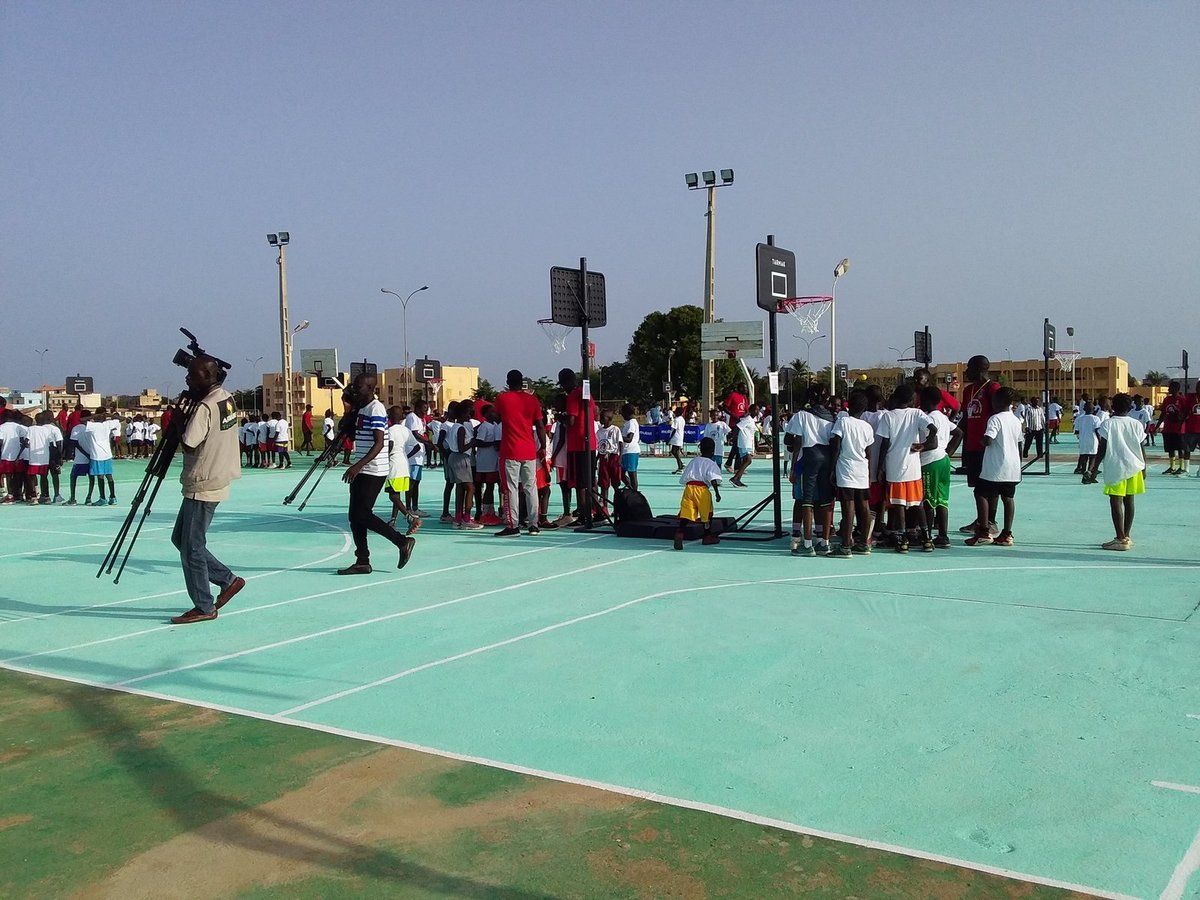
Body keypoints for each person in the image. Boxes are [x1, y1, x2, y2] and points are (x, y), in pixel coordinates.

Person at [168, 356, 246, 624]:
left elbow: (189, 444)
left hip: (203, 482)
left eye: (192, 374)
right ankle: (227, 579)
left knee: (191, 547)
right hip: (218, 475)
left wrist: (178, 420)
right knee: (181, 539)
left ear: (207, 375)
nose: (187, 379)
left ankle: (204, 606)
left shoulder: (204, 406)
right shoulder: (226, 398)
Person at [337, 373, 416, 574]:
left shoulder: (376, 409)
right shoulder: (361, 408)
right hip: (362, 468)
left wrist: (357, 466)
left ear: (371, 388)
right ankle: (362, 560)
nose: (356, 390)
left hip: (373, 470)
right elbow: (349, 431)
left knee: (362, 514)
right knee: (354, 517)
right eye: (354, 387)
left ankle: (402, 541)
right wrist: (349, 409)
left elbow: (380, 442)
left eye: (359, 387)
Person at [876, 384, 937, 553]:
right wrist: (925, 444)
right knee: (917, 503)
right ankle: (927, 539)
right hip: (913, 467)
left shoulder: (888, 417)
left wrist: (880, 467)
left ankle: (902, 540)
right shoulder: (917, 413)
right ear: (911, 400)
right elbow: (933, 428)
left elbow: (884, 444)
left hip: (894, 466)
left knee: (899, 505)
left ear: (895, 398)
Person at [1089, 393, 1147, 550]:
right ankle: (1126, 536)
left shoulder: (1108, 424)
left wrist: (1094, 469)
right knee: (1130, 501)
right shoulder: (1136, 424)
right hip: (1134, 466)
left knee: (1116, 502)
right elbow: (1141, 447)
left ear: (1113, 406)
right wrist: (1144, 467)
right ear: (1130, 407)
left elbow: (1102, 448)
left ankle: (1120, 538)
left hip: (1116, 467)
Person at [966, 387, 1022, 547]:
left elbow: (989, 439)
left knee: (980, 493)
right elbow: (1019, 442)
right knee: (1008, 498)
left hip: (996, 466)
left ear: (997, 402)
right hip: (1012, 466)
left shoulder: (995, 419)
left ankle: (984, 531)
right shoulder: (1016, 420)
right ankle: (1007, 533)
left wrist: (981, 441)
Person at [785, 387, 836, 556]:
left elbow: (796, 441)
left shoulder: (802, 415)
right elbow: (834, 441)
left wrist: (793, 467)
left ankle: (807, 544)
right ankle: (824, 542)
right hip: (827, 456)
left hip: (810, 455)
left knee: (807, 500)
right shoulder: (831, 417)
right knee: (825, 500)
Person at [957, 356, 1003, 536]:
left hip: (988, 446)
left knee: (990, 485)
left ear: (980, 368)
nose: (966, 371)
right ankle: (980, 519)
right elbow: (966, 418)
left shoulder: (993, 388)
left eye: (969, 367)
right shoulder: (969, 390)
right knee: (977, 486)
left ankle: (991, 521)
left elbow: (999, 416)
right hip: (972, 445)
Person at [827, 390, 875, 558]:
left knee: (848, 508)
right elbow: (869, 452)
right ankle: (864, 543)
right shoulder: (867, 427)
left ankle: (846, 545)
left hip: (846, 468)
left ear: (848, 405)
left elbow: (837, 446)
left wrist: (832, 469)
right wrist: (869, 472)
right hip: (862, 469)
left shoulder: (843, 422)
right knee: (864, 507)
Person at [920, 386, 961, 549]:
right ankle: (943, 535)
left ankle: (928, 535)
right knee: (942, 499)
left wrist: (919, 448)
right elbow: (959, 433)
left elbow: (932, 442)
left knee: (928, 499)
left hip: (930, 460)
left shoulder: (928, 418)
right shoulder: (943, 417)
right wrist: (948, 452)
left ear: (926, 401)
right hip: (943, 459)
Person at [558, 368, 597, 524]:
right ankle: (595, 510)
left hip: (577, 444)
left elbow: (571, 421)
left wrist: (561, 418)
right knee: (590, 480)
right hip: (590, 443)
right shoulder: (586, 393)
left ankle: (583, 515)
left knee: (580, 483)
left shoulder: (573, 396)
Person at [673, 436, 723, 551]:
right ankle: (707, 536)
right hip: (702, 490)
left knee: (686, 513)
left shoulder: (694, 461)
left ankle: (679, 532)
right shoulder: (711, 463)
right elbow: (713, 479)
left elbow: (685, 476)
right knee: (707, 514)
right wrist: (717, 493)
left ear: (700, 449)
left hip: (689, 488)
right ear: (713, 450)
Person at [383, 406, 420, 536]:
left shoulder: (390, 430)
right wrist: (407, 456)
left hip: (394, 465)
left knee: (393, 495)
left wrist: (384, 456)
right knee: (397, 494)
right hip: (404, 465)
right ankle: (393, 519)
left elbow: (391, 445)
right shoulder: (405, 430)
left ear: (390, 417)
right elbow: (416, 445)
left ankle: (410, 517)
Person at [26, 411, 64, 504]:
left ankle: (44, 495)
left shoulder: (39, 428)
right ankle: (56, 495)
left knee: (44, 476)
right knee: (55, 475)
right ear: (50, 418)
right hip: (53, 454)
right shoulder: (55, 429)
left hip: (43, 455)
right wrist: (60, 456)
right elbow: (59, 443)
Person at [473, 404, 501, 525]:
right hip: (484, 462)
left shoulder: (494, 426)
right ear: (486, 415)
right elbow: (478, 442)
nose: (494, 414)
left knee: (492, 486)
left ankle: (492, 511)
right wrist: (492, 444)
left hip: (493, 461)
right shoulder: (484, 426)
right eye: (491, 412)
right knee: (485, 487)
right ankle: (483, 512)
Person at [83, 408, 117, 505]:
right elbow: (121, 418)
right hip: (107, 454)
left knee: (100, 476)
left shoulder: (93, 425)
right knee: (109, 476)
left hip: (97, 455)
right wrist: (109, 415)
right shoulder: (107, 424)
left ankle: (103, 498)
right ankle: (112, 497)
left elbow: (82, 420)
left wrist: (95, 416)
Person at [403, 399, 432, 516]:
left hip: (419, 455)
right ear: (418, 408)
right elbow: (415, 434)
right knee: (412, 482)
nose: (426, 410)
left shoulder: (421, 419)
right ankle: (408, 508)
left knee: (417, 482)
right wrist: (428, 442)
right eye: (424, 408)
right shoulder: (412, 417)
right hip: (413, 455)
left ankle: (415, 508)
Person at [1157, 382, 1187, 475]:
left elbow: (1186, 413)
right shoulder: (1167, 399)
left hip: (1179, 428)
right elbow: (1163, 414)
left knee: (1180, 448)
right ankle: (1172, 467)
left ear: (1176, 388)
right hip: (1168, 428)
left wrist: (1181, 420)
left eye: (1170, 387)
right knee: (1170, 448)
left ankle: (1181, 467)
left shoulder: (1182, 399)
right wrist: (1157, 426)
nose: (1169, 389)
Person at [0, 410, 29, 503]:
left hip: (6, 455)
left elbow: (0, 442)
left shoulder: (1, 427)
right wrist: (19, 454)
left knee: (8, 476)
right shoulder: (19, 427)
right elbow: (24, 442)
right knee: (18, 476)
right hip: (19, 456)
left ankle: (10, 495)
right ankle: (19, 495)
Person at [66, 409, 94, 505]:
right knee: (91, 477)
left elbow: (74, 442)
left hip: (80, 457)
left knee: (73, 476)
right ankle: (89, 497)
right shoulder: (93, 427)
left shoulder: (77, 428)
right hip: (93, 456)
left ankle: (73, 498)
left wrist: (84, 453)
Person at [731, 403, 758, 487]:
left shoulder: (752, 420)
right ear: (751, 411)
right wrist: (734, 438)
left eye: (758, 409)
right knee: (748, 460)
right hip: (744, 443)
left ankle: (737, 479)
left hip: (749, 443)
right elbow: (737, 427)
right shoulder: (747, 419)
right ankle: (735, 478)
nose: (757, 411)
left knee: (746, 461)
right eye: (755, 410)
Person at [1074, 402, 1101, 481]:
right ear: (1093, 409)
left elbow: (1076, 431)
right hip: (1093, 440)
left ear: (1084, 409)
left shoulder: (1079, 418)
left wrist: (1080, 437)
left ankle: (1083, 471)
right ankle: (1089, 472)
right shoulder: (1095, 418)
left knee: (1084, 457)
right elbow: (1097, 430)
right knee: (1093, 457)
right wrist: (1100, 440)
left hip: (1083, 440)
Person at [619, 403, 641, 492]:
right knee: (620, 473)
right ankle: (631, 489)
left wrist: (618, 436)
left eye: (622, 413)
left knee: (632, 474)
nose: (621, 415)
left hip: (630, 450)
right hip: (626, 451)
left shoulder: (631, 423)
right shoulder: (628, 422)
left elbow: (629, 439)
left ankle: (635, 493)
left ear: (627, 413)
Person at [1022, 396, 1046, 462]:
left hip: (1039, 428)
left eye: (1038, 401)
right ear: (1032, 402)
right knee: (1028, 442)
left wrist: (1044, 427)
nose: (1037, 402)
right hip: (1031, 429)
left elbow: (1042, 418)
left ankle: (1040, 454)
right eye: (1036, 401)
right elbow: (1026, 418)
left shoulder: (1040, 409)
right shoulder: (1029, 409)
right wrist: (1026, 427)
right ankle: (1025, 452)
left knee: (1039, 442)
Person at [668, 405, 686, 474]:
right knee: (674, 451)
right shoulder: (682, 419)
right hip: (680, 437)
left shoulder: (676, 420)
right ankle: (681, 464)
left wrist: (669, 438)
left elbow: (674, 430)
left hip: (676, 437)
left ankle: (680, 467)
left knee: (675, 452)